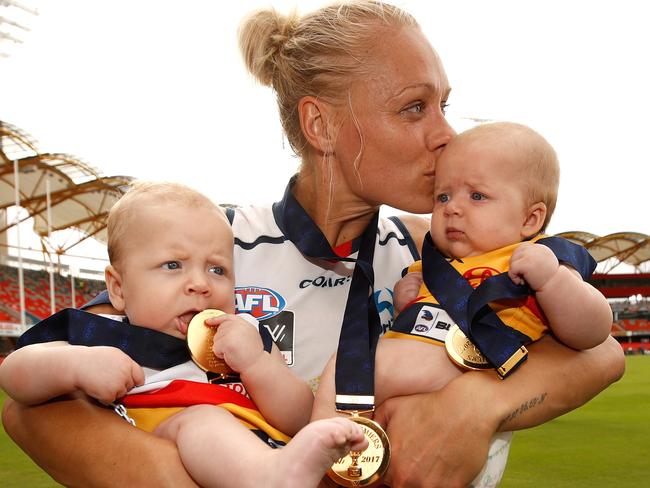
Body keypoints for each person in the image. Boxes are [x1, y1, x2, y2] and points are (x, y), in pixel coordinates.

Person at [2, 2, 624, 487]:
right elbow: (36, 405)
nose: (444, 135)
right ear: (320, 124)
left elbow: (601, 354)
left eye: (444, 105)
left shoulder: (444, 249)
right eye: (414, 108)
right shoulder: (213, 246)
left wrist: (475, 406)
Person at [0, 181, 367, 488]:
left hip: (261, 444)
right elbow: (15, 373)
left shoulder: (245, 333)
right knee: (201, 421)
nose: (199, 284)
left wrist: (258, 365)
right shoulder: (105, 333)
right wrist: (76, 364)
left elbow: (299, 415)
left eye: (217, 269)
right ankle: (273, 477)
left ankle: (277, 470)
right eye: (172, 265)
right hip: (167, 438)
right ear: (118, 289)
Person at [311, 121, 614, 486]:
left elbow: (595, 331)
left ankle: (314, 455)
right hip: (420, 375)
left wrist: (553, 282)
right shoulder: (432, 265)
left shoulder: (541, 258)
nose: (452, 208)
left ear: (530, 218)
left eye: (477, 196)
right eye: (443, 196)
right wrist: (407, 296)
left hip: (463, 367)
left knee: (346, 367)